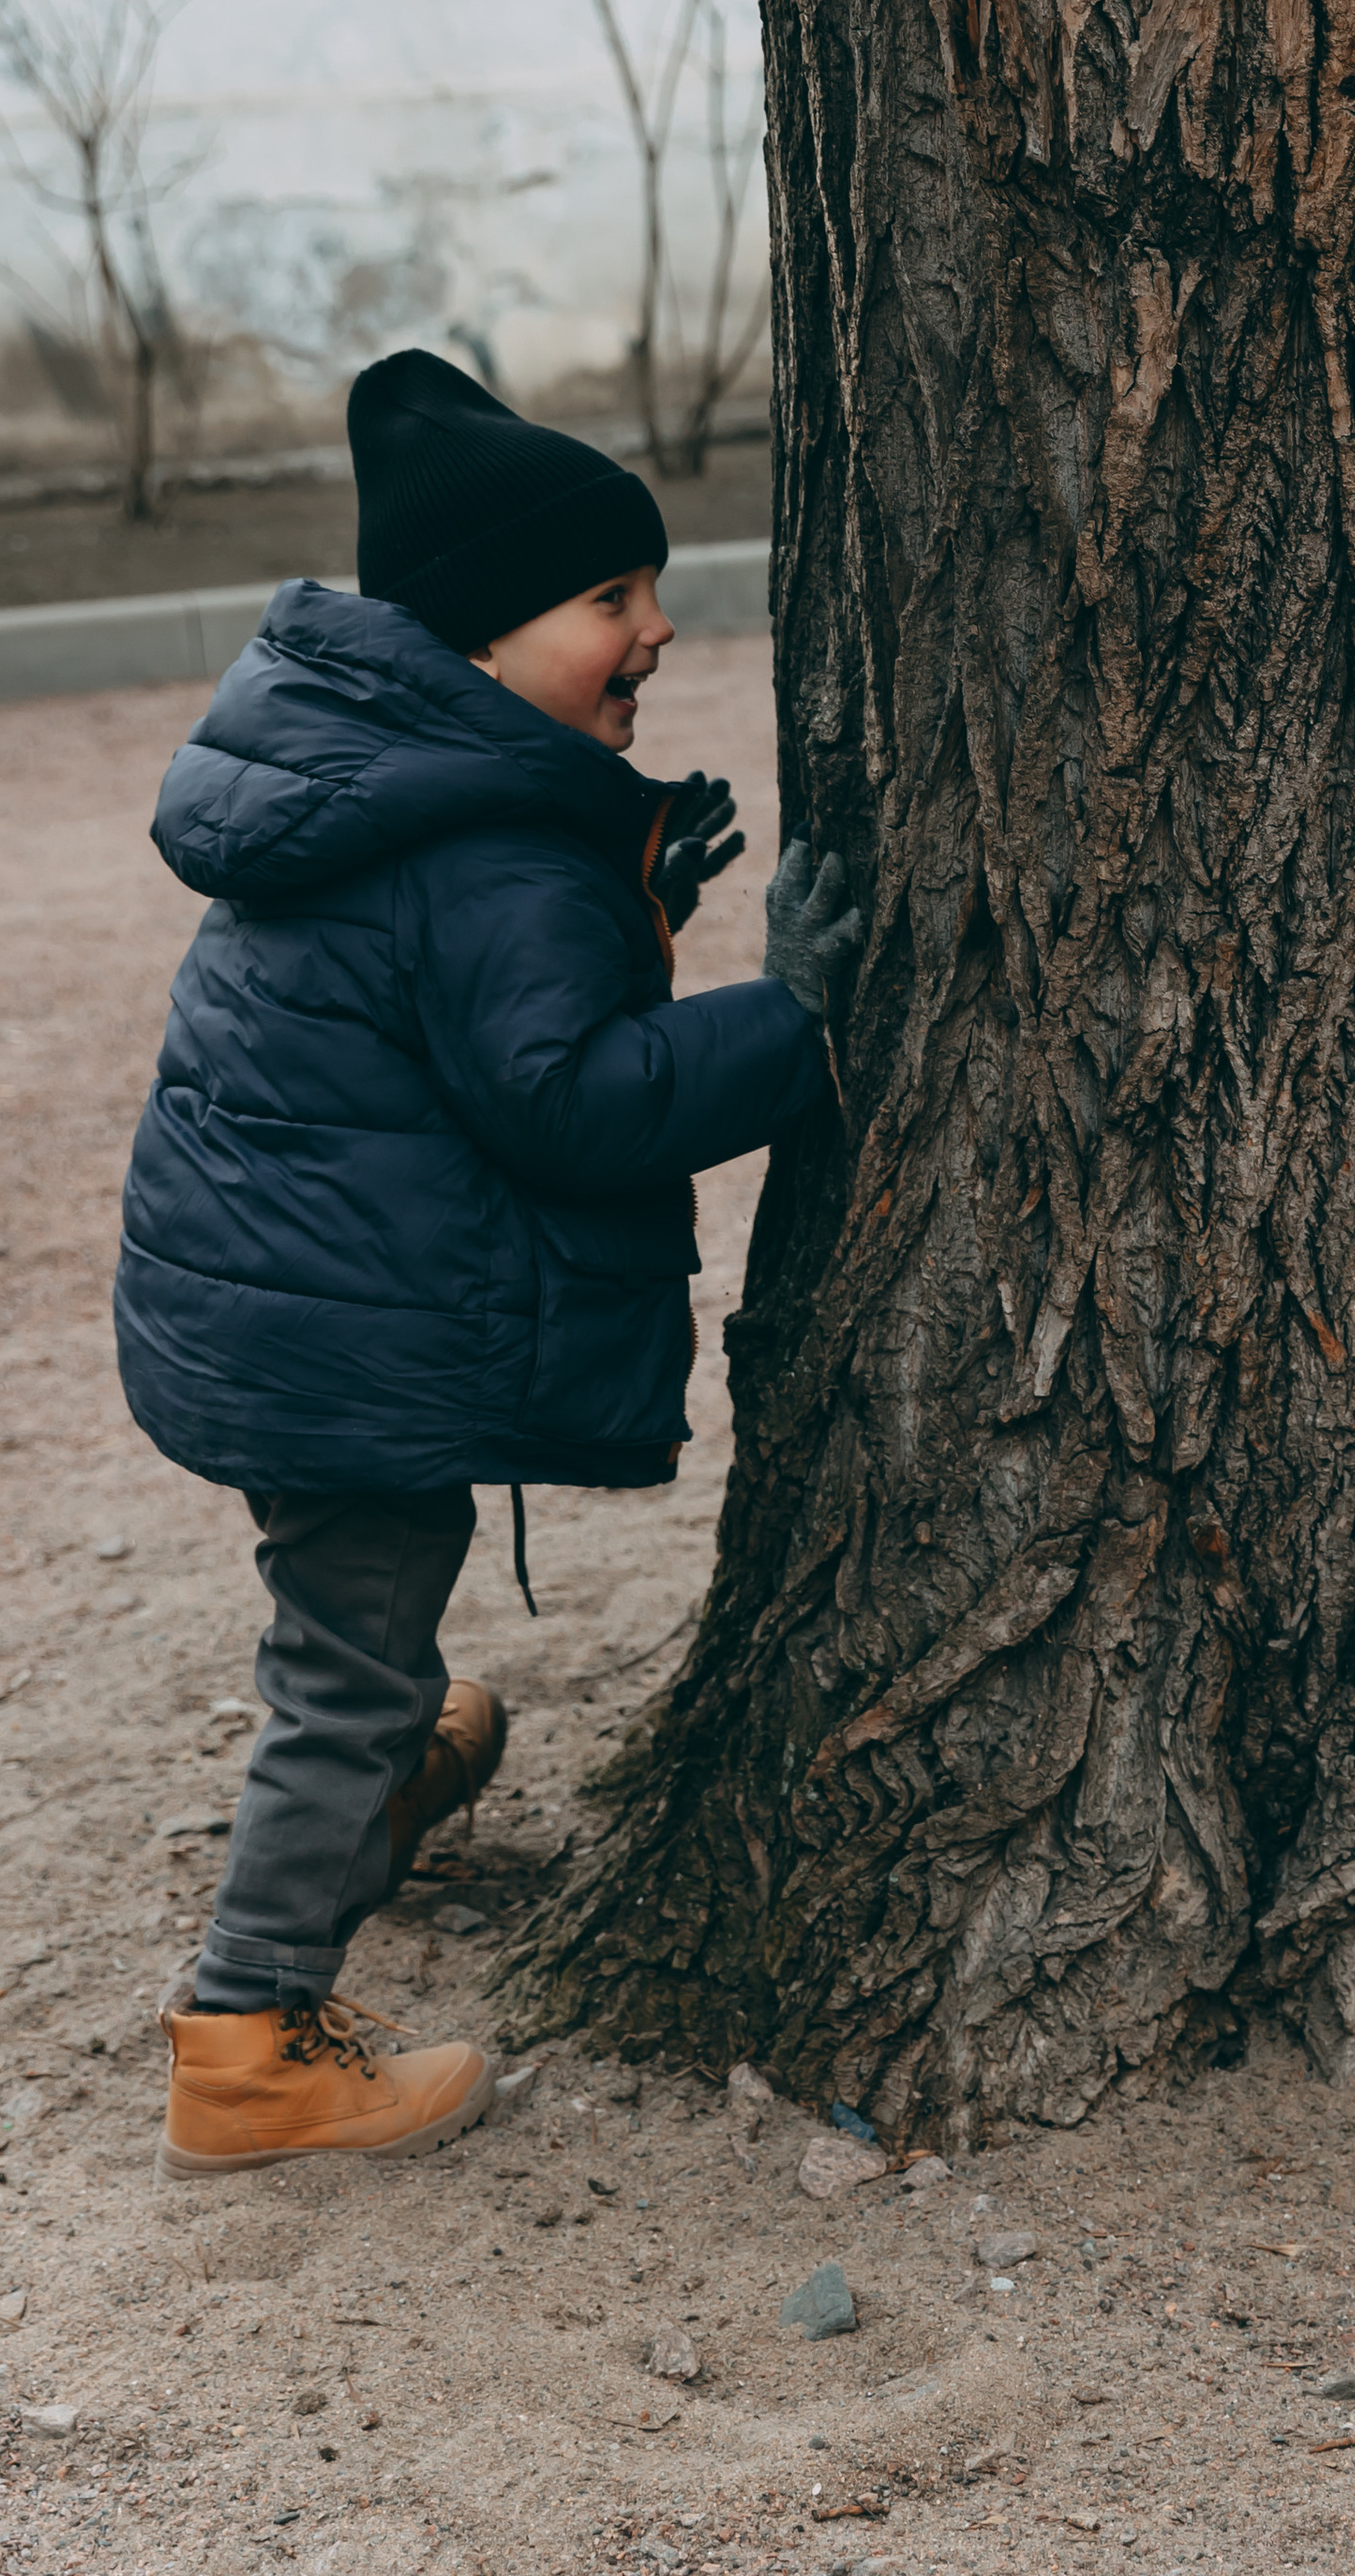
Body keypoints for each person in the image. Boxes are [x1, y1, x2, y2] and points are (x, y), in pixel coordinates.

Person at [114, 350, 863, 2173]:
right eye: (610, 598)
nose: (655, 630)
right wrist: (802, 1016)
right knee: (346, 1671)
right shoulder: (490, 849)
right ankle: (248, 2047)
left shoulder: (381, 781)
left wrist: (636, 905)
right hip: (341, 1336)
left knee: (362, 1636)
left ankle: (380, 1790)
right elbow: (567, 1102)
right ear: (480, 637)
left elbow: (446, 1017)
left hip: (289, 1305)